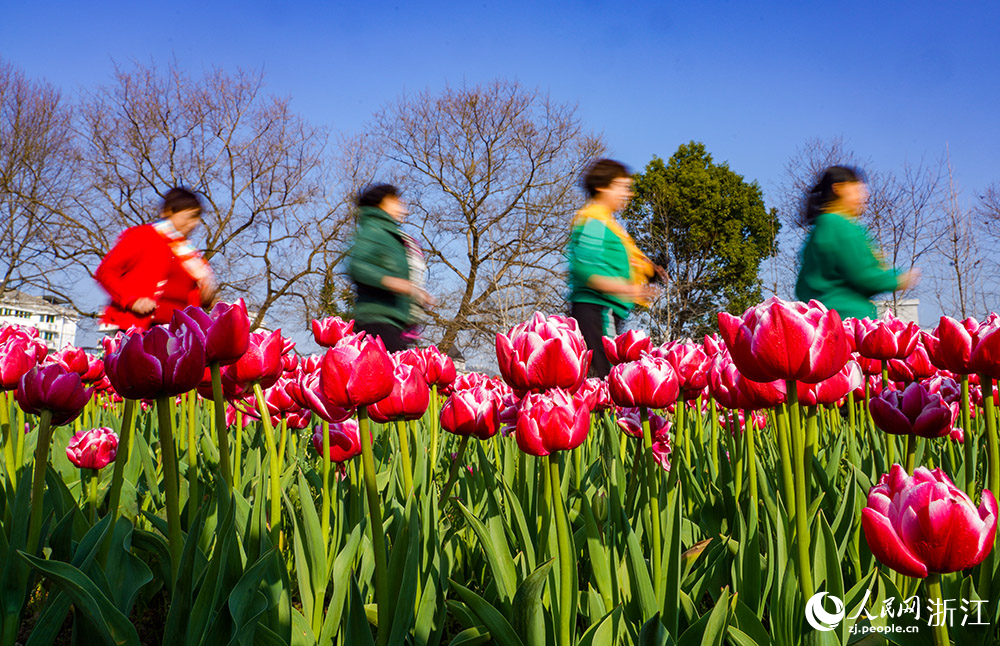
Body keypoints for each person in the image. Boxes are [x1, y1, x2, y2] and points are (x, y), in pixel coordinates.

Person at [566, 159, 666, 377]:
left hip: (605, 310)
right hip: (597, 309)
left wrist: (651, 270)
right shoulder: (593, 220)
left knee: (602, 372)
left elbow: (629, 258)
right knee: (605, 376)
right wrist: (631, 290)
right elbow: (586, 270)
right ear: (603, 186)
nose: (628, 193)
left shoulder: (608, 224)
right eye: (622, 187)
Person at [795, 166, 918, 319]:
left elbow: (802, 285)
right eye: (858, 189)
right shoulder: (839, 225)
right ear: (838, 189)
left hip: (822, 319)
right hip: (848, 321)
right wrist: (897, 279)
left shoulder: (822, 226)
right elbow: (863, 275)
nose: (864, 195)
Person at [94, 187, 217, 330]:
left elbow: (193, 297)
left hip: (176, 332)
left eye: (197, 217)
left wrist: (207, 297)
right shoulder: (143, 236)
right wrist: (131, 300)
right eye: (189, 217)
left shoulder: (191, 255)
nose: (194, 223)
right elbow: (106, 271)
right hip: (138, 328)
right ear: (168, 212)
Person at [348, 184, 433, 353]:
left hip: (396, 322)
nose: (404, 209)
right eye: (397, 202)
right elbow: (356, 265)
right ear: (383, 203)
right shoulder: (374, 230)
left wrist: (416, 293)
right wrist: (391, 282)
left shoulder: (393, 235)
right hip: (378, 320)